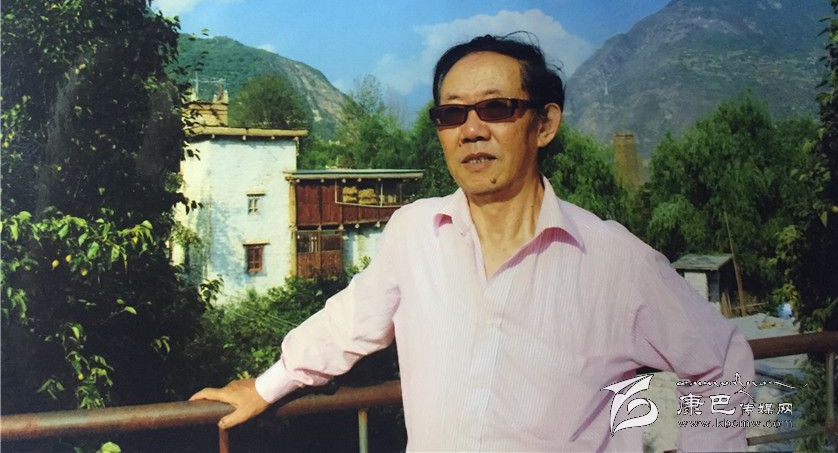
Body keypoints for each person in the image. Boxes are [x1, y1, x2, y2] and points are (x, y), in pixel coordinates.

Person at [191, 33, 755, 451]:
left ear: (544, 124)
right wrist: (265, 386)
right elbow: (349, 323)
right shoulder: (415, 233)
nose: (472, 129)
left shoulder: (613, 261)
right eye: (452, 113)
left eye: (497, 108)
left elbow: (723, 364)